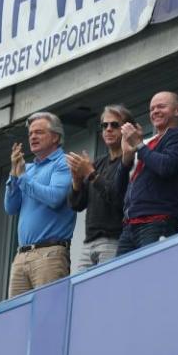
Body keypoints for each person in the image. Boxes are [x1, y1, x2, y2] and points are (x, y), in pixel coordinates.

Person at [117, 92, 178, 255]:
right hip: (129, 226)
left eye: (161, 106)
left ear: (177, 111)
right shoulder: (148, 143)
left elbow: (165, 167)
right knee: (122, 279)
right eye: (152, 108)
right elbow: (119, 189)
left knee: (151, 276)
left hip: (156, 222)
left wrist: (139, 145)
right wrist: (126, 158)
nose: (155, 111)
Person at [5, 112, 75, 297]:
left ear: (55, 137)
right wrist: (14, 175)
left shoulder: (63, 163)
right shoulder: (27, 168)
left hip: (49, 253)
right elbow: (10, 207)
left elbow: (54, 198)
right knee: (17, 318)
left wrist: (22, 178)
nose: (33, 137)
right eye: (30, 134)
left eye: (39, 132)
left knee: (47, 313)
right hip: (21, 255)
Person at [66, 105, 135, 271]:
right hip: (88, 243)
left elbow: (117, 197)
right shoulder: (98, 163)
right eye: (105, 125)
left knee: (108, 292)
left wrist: (90, 173)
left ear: (126, 128)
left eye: (114, 125)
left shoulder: (128, 162)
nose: (108, 129)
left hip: (113, 241)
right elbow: (76, 204)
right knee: (81, 294)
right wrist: (76, 180)